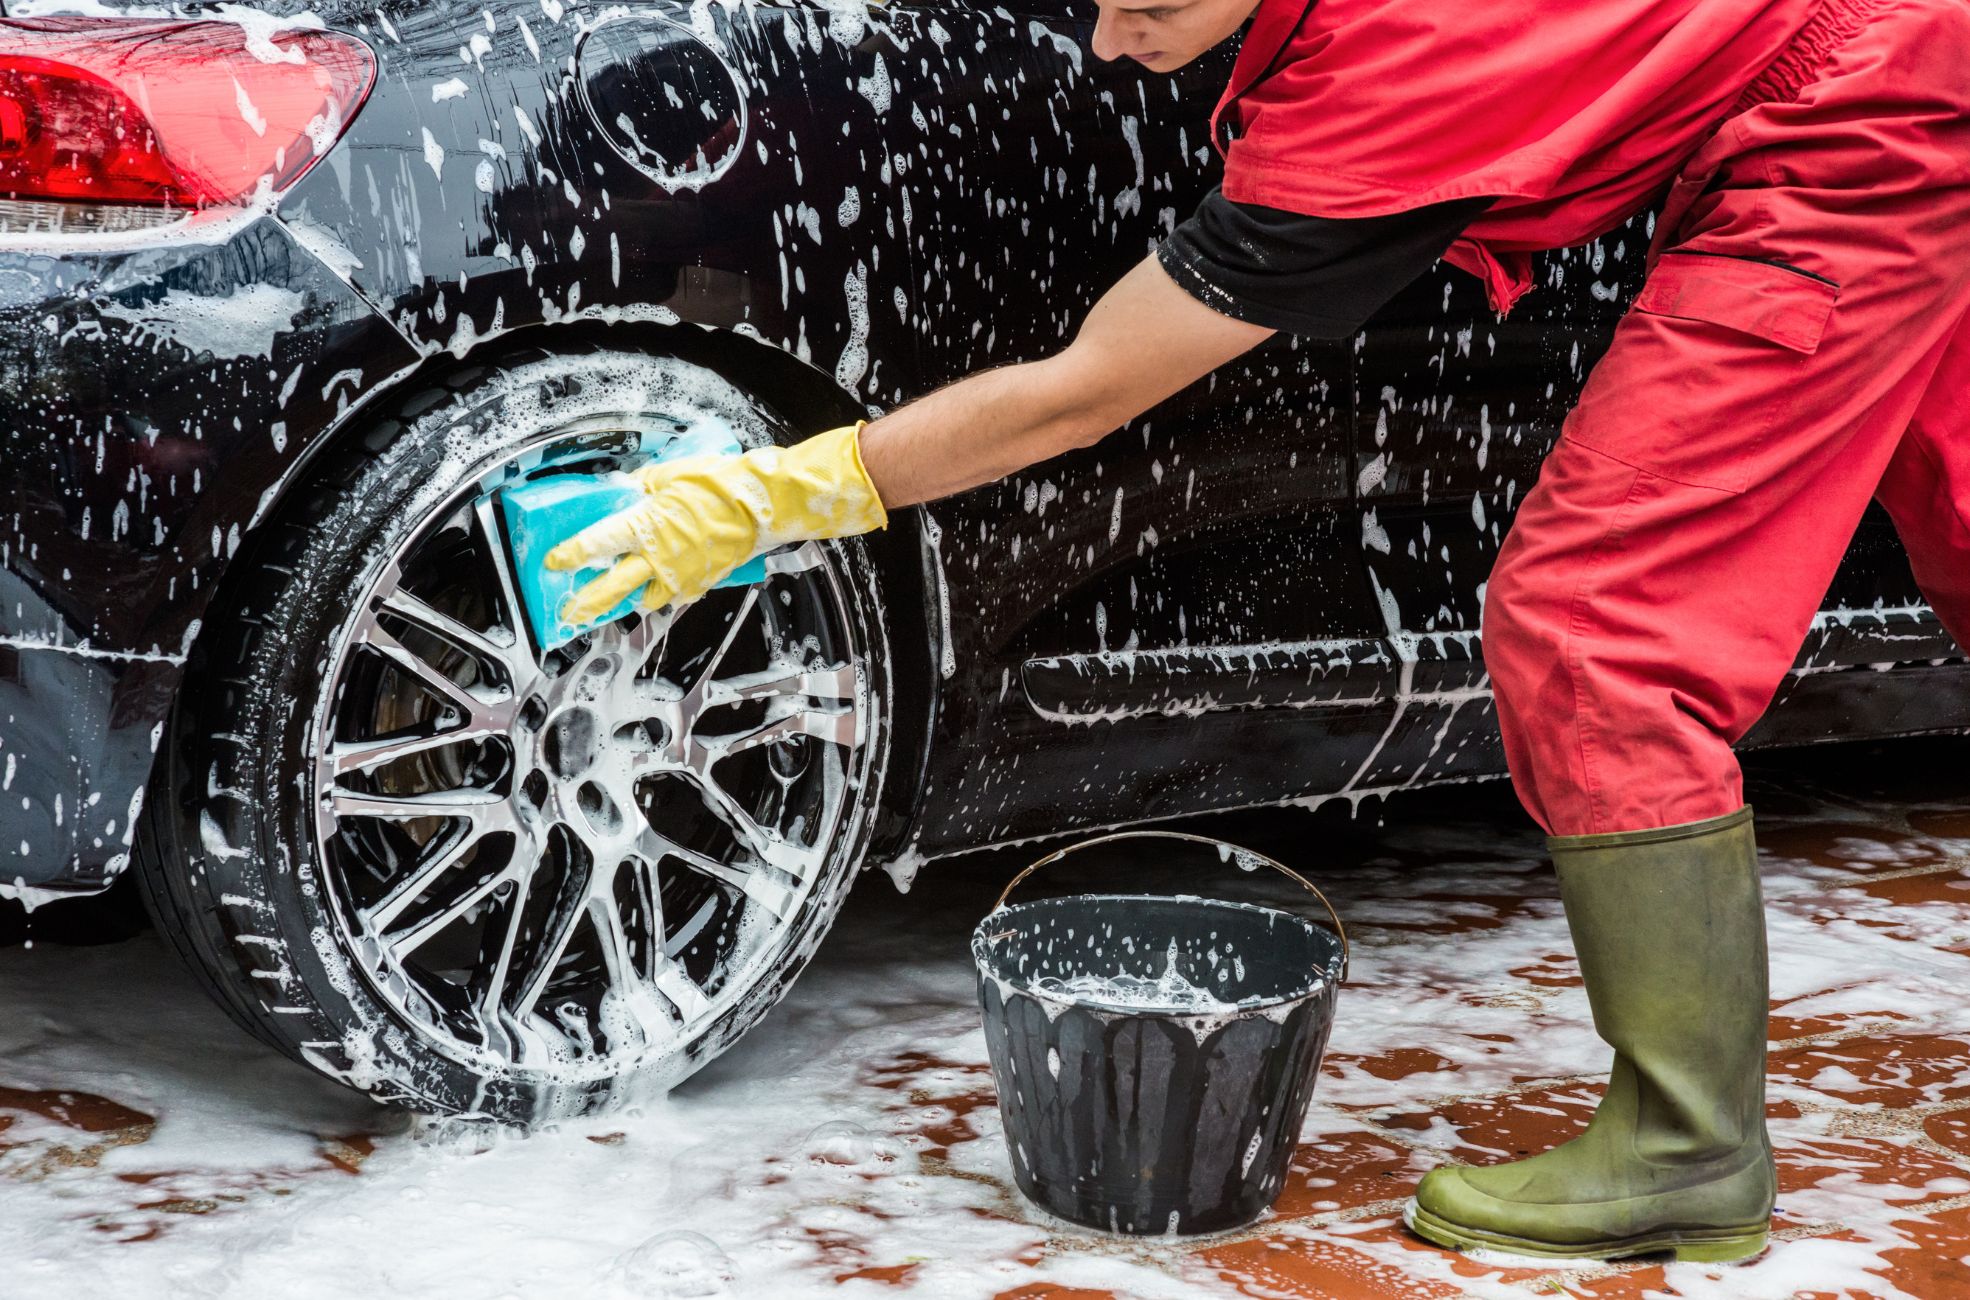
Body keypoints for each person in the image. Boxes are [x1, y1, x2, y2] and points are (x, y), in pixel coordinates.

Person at [544, 0, 1970, 1265]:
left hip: (1857, 132)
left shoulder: (1385, 84)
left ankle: (1688, 1149)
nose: (1106, 42)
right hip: (1905, 67)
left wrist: (784, 495)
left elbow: (1081, 391)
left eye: (1144, 3)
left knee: (1595, 625)